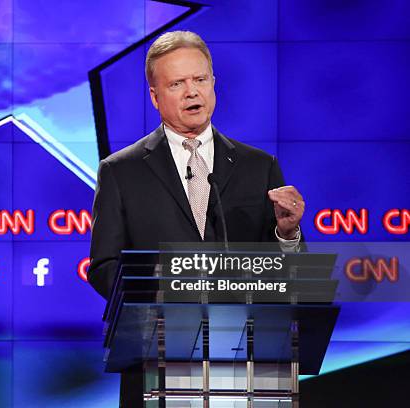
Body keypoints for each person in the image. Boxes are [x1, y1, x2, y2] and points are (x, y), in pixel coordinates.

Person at [87, 31, 305, 406]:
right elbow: (103, 267)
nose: (192, 92)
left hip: (246, 361)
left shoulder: (260, 167)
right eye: (177, 83)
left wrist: (287, 234)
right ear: (155, 97)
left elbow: (288, 274)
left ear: (213, 85)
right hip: (157, 362)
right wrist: (163, 285)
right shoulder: (121, 172)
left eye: (200, 80)